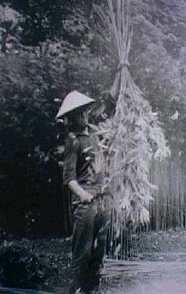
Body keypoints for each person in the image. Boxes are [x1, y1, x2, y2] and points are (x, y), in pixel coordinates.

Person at [56, 91, 109, 294]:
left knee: (99, 249)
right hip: (85, 203)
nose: (83, 116)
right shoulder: (74, 142)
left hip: (101, 200)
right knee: (83, 253)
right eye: (77, 115)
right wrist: (83, 195)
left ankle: (92, 289)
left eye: (84, 112)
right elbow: (68, 178)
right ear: (71, 119)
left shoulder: (95, 138)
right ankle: (77, 290)